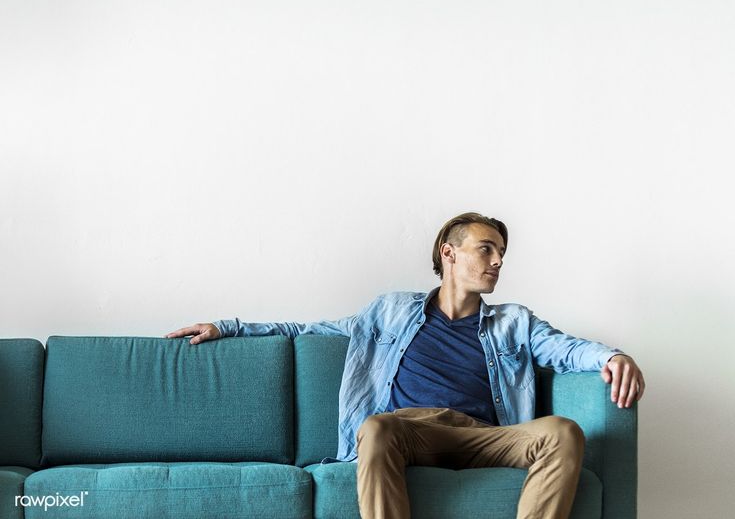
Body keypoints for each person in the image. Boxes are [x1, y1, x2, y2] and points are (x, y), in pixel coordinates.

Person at [166, 212, 645, 519]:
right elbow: (308, 329)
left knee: (563, 432)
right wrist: (228, 327)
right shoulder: (390, 311)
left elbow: (565, 348)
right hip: (408, 431)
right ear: (449, 253)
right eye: (487, 249)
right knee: (375, 429)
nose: (498, 260)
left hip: (483, 436)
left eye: (501, 252)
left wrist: (612, 356)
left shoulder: (513, 322)